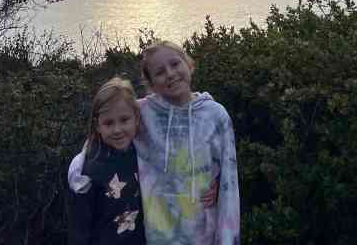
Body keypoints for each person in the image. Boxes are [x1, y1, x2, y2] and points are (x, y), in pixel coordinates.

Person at [70, 40, 240, 245]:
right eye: (159, 72)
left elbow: (229, 178)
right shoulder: (142, 112)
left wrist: (220, 187)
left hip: (203, 233)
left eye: (175, 64)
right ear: (151, 84)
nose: (170, 73)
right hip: (156, 236)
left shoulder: (215, 116)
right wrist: (78, 168)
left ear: (188, 64)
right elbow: (106, 128)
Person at [68, 77, 146, 245]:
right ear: (98, 126)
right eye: (108, 123)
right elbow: (79, 227)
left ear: (136, 118)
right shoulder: (87, 169)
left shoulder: (144, 155)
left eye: (124, 120)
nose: (117, 129)